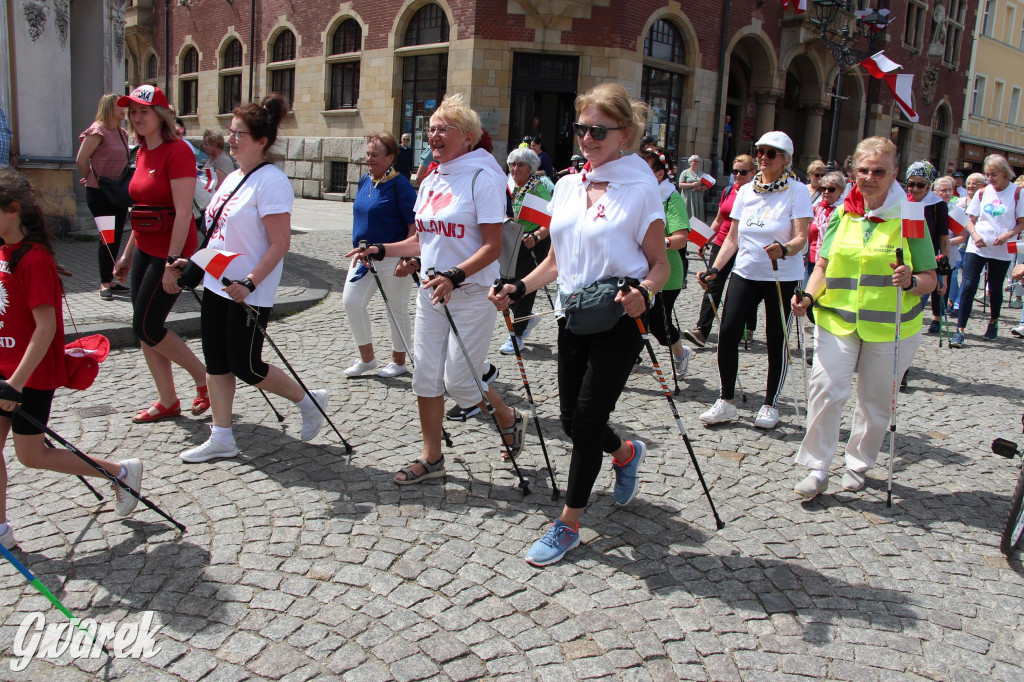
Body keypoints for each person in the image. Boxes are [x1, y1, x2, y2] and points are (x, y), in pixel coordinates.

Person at [491, 83, 670, 566]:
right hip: (572, 314)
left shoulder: (640, 187)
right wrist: (518, 287)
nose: (587, 138)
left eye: (598, 130)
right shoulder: (568, 185)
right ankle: (627, 453)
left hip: (619, 316)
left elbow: (661, 265)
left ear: (625, 134)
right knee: (572, 421)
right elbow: (555, 260)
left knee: (587, 420)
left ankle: (568, 523)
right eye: (580, 128)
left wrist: (645, 293)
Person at [349, 94, 527, 485]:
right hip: (432, 292)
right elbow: (423, 241)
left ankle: (507, 417)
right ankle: (432, 458)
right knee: (425, 376)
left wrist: (454, 275)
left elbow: (492, 247)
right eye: (431, 128)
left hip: (470, 293)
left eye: (444, 129)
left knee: (461, 382)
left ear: (467, 137)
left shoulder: (485, 177)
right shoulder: (431, 178)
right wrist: (381, 249)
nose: (434, 135)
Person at [176, 95, 332, 462]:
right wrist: (189, 264)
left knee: (246, 364)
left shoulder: (271, 182)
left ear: (261, 140)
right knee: (216, 360)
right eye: (231, 133)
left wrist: (249, 281)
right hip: (217, 282)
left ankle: (307, 400)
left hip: (248, 290)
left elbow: (280, 243)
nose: (231, 140)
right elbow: (217, 232)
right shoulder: (233, 177)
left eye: (239, 134)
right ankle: (222, 436)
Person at [0, 169, 144, 548]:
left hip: (28, 375)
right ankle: (1, 530)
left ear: (12, 210)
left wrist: (15, 382)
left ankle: (119, 472)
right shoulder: (3, 251)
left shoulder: (33, 260)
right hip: (4, 370)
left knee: (31, 454)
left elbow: (45, 329)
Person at [790, 136, 937, 499]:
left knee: (875, 401)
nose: (870, 177)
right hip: (837, 320)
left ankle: (857, 463)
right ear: (853, 171)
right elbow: (823, 264)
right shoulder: (842, 212)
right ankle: (818, 466)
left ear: (895, 173)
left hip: (891, 327)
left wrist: (912, 280)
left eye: (879, 171)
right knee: (825, 389)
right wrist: (809, 295)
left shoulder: (910, 216)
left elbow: (931, 278)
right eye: (863, 170)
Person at [698, 131, 811, 430]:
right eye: (760, 151)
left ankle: (770, 403)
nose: (763, 157)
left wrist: (785, 249)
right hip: (746, 272)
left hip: (781, 276)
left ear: (786, 160)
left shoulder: (796, 192)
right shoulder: (747, 191)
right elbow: (732, 238)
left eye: (771, 153)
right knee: (728, 332)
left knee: (777, 339)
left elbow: (802, 238)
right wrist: (715, 270)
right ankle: (726, 401)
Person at [112, 85, 209, 423]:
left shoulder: (177, 151)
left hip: (172, 253)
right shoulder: (140, 152)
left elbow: (183, 214)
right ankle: (168, 400)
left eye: (144, 111)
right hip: (144, 247)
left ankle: (204, 378)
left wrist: (171, 266)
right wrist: (125, 254)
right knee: (143, 329)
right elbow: (140, 209)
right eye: (133, 112)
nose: (137, 117)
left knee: (148, 326)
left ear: (161, 115)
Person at [342, 132, 416, 378]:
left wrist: (407, 257)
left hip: (393, 257)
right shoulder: (365, 180)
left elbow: (413, 224)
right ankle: (367, 359)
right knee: (351, 302)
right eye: (368, 154)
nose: (369, 158)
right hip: (363, 257)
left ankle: (399, 360)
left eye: (375, 154)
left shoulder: (400, 184)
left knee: (396, 308)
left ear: (391, 157)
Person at [682, 154, 757, 349]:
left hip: (744, 246)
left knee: (743, 288)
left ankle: (746, 327)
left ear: (753, 173)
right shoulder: (729, 190)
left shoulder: (755, 194)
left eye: (743, 172)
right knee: (712, 284)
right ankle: (702, 330)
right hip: (722, 243)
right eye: (735, 172)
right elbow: (718, 220)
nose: (738, 175)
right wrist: (704, 239)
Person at [950, 154, 1024, 347]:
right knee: (969, 285)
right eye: (988, 174)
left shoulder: (1017, 193)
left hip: (1001, 248)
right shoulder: (983, 192)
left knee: (995, 286)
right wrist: (974, 235)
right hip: (978, 245)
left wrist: (1008, 235)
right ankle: (960, 330)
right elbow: (969, 219)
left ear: (1005, 174)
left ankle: (993, 322)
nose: (990, 178)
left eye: (994, 174)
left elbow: (1021, 224)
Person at [639, 145, 692, 377]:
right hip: (640, 268)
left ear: (659, 174)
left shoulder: (671, 198)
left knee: (659, 324)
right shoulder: (639, 194)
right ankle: (629, 355)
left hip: (667, 272)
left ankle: (680, 353)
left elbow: (681, 238)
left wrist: (659, 242)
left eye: (645, 167)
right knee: (634, 315)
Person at [76, 93, 131, 302]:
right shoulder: (97, 130)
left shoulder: (122, 132)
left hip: (118, 192)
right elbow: (81, 159)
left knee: (116, 236)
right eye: (120, 107)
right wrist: (90, 178)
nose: (123, 110)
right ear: (109, 108)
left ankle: (111, 279)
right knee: (107, 237)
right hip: (100, 193)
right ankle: (104, 282)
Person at [500, 147, 553, 354]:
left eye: (520, 165)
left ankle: (517, 334)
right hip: (509, 239)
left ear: (531, 169)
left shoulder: (537, 189)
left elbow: (549, 222)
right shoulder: (508, 186)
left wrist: (536, 236)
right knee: (503, 286)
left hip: (530, 244)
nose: (515, 168)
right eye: (512, 164)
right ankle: (527, 317)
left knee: (522, 287)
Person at [904, 162, 949, 338]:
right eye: (911, 184)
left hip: (926, 262)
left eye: (920, 184)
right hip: (906, 259)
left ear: (929, 185)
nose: (914, 189)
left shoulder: (938, 205)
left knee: (915, 306)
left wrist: (944, 275)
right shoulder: (902, 201)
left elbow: (944, 240)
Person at [949, 172, 986, 316]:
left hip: (974, 245)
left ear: (982, 186)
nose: (970, 185)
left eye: (975, 183)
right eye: (969, 182)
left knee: (968, 277)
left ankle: (959, 304)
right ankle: (953, 298)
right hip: (957, 243)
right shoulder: (959, 202)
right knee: (951, 273)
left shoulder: (985, 203)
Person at [678, 155, 707, 222]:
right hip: (688, 197)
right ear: (690, 162)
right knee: (687, 213)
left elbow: (706, 186)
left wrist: (700, 188)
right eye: (694, 161)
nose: (696, 163)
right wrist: (692, 184)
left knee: (697, 217)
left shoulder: (702, 174)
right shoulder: (685, 172)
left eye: (698, 161)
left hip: (698, 198)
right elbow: (680, 184)